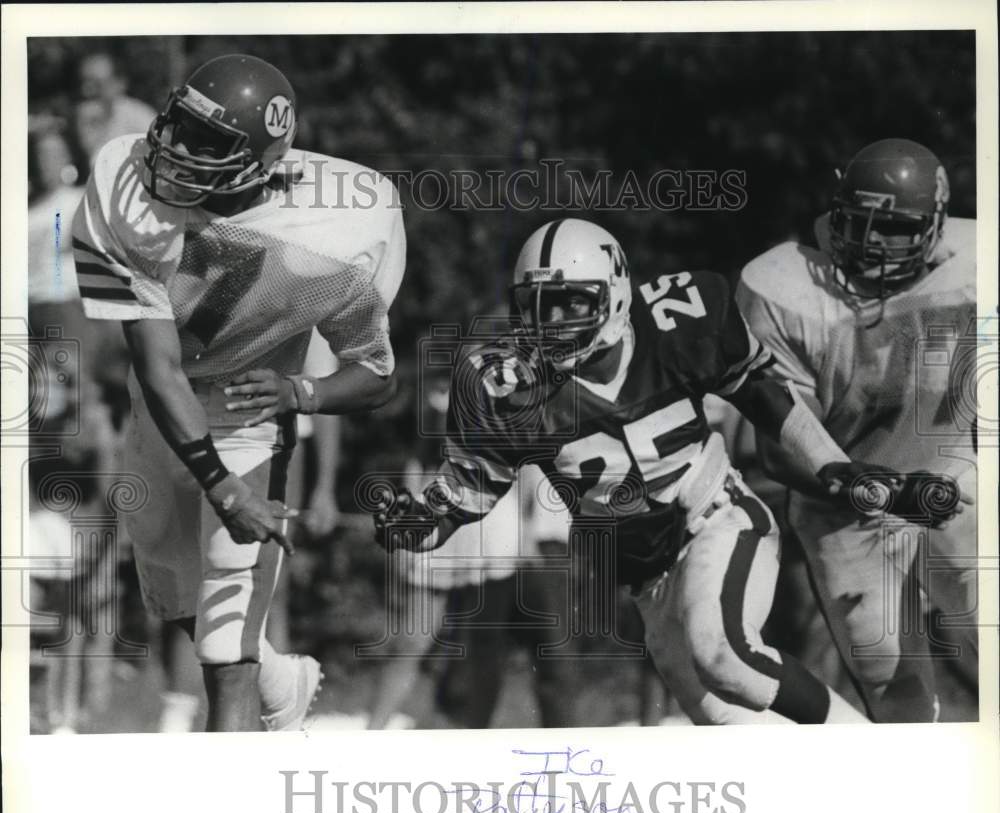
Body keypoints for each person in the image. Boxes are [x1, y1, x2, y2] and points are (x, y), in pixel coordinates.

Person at [372, 218, 967, 725]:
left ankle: (871, 754)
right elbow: (470, 492)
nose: (550, 322)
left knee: (725, 653)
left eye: (569, 303)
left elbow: (768, 400)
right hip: (648, 580)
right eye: (535, 306)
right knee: (732, 721)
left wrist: (837, 468)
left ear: (616, 293)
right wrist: (422, 525)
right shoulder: (508, 387)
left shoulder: (676, 323)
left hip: (719, 520)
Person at [72, 54, 405, 731]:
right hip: (158, 406)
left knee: (226, 647)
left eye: (209, 141)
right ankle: (284, 676)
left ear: (260, 159)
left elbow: (376, 375)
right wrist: (221, 487)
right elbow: (157, 364)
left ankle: (229, 808)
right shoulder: (121, 178)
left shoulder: (342, 228)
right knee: (176, 598)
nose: (178, 148)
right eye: (180, 125)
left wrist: (299, 393)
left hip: (249, 418)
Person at [737, 138, 978, 722]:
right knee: (900, 698)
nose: (872, 244)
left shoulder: (979, 262)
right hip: (842, 506)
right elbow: (776, 446)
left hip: (954, 482)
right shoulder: (783, 288)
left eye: (894, 228)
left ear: (935, 225)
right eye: (859, 224)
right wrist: (876, 490)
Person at [74, 53, 157, 166]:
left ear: (119, 83)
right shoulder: (85, 116)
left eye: (98, 84)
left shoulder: (139, 116)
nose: (87, 90)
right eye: (84, 82)